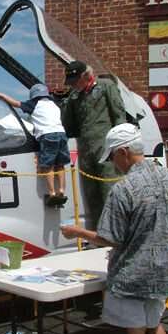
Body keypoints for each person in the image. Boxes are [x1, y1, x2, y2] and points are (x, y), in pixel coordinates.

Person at [61, 123, 168, 334]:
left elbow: (110, 238)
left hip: (134, 275)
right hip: (163, 270)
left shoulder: (124, 188)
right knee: (155, 325)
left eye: (112, 157)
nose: (113, 164)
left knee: (136, 332)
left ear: (123, 152)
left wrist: (77, 232)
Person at [61, 60, 126, 229]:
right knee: (92, 195)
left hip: (106, 148)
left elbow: (118, 115)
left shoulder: (106, 86)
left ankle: (116, 231)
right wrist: (66, 102)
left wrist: (119, 144)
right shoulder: (74, 97)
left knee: (110, 190)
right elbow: (69, 126)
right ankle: (99, 234)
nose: (74, 85)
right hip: (86, 150)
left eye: (76, 81)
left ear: (86, 76)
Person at [0, 83, 71, 207]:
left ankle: (52, 193)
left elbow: (16, 104)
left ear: (34, 96)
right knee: (60, 164)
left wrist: (2, 95)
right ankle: (61, 190)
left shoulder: (34, 104)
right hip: (61, 134)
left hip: (48, 135)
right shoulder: (54, 104)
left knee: (48, 165)